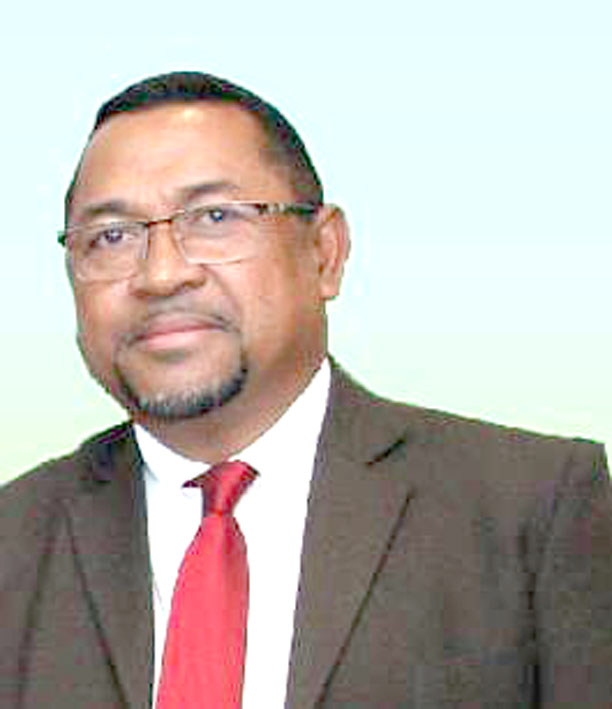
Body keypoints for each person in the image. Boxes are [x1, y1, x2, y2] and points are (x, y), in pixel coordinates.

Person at [1, 71, 611, 709]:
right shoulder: (14, 540)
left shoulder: (530, 509)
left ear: (324, 252)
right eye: (111, 237)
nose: (161, 275)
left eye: (214, 217)